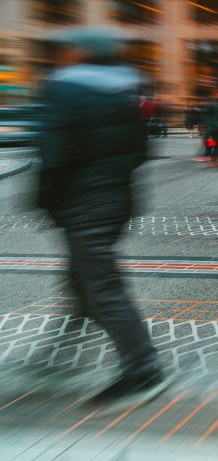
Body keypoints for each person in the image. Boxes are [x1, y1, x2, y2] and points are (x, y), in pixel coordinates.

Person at [37, 26, 168, 408]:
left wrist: (46, 199)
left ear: (79, 52)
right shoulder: (129, 89)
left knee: (102, 287)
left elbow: (54, 152)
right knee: (82, 278)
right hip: (117, 199)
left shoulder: (63, 88)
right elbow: (143, 148)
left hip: (81, 202)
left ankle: (142, 369)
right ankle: (59, 351)